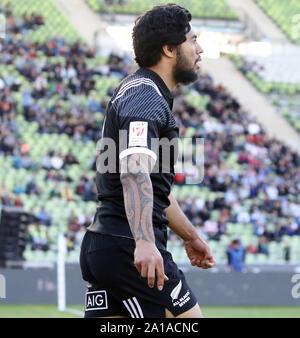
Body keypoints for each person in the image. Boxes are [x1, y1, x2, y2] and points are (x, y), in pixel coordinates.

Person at [80, 4, 215, 318]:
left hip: (108, 244)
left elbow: (154, 191)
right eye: (192, 40)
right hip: (129, 247)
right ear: (168, 49)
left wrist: (191, 236)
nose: (200, 49)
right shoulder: (145, 96)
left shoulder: (141, 92)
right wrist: (144, 242)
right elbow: (134, 171)